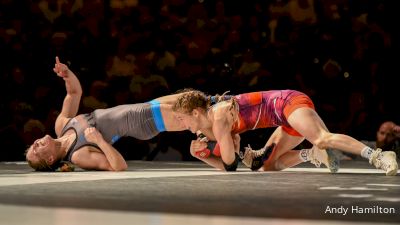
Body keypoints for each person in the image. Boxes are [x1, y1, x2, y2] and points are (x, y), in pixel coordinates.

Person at [25, 57, 264, 171]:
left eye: (32, 146)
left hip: (144, 107)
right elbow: (118, 167)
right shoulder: (77, 156)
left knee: (195, 97)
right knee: (200, 116)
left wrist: (67, 74)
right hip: (143, 123)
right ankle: (238, 152)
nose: (34, 144)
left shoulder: (61, 126)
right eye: (36, 151)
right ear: (48, 160)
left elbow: (74, 94)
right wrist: (98, 140)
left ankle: (235, 147)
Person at [172, 90, 398, 176]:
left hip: (288, 102)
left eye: (181, 118)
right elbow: (234, 149)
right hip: (284, 118)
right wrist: (203, 154)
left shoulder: (218, 117)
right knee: (266, 165)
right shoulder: (212, 123)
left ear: (195, 112)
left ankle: (379, 156)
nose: (180, 123)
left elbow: (230, 166)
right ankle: (312, 155)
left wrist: (205, 156)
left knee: (321, 137)